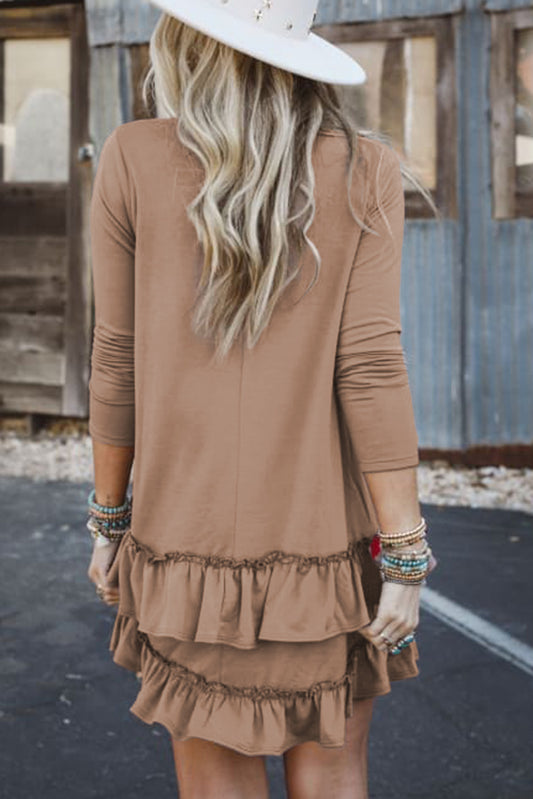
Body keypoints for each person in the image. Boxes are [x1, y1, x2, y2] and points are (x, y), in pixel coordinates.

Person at [86, 0, 438, 796]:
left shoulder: (132, 156)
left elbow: (116, 358)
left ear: (185, 41)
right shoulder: (364, 166)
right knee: (334, 770)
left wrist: (109, 520)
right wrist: (404, 553)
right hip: (328, 550)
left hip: (184, 545)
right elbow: (370, 368)